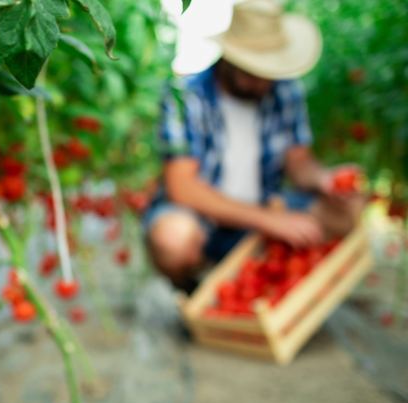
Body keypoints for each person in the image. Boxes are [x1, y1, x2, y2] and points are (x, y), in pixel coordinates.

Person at [145, 0, 363, 289]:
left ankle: (270, 278)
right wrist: (270, 221)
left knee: (351, 209)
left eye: (269, 71)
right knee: (172, 238)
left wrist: (324, 179)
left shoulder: (284, 91)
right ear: (229, 57)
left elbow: (299, 162)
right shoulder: (183, 97)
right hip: (205, 223)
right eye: (253, 70)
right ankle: (195, 287)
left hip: (264, 213)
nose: (263, 81)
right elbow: (182, 188)